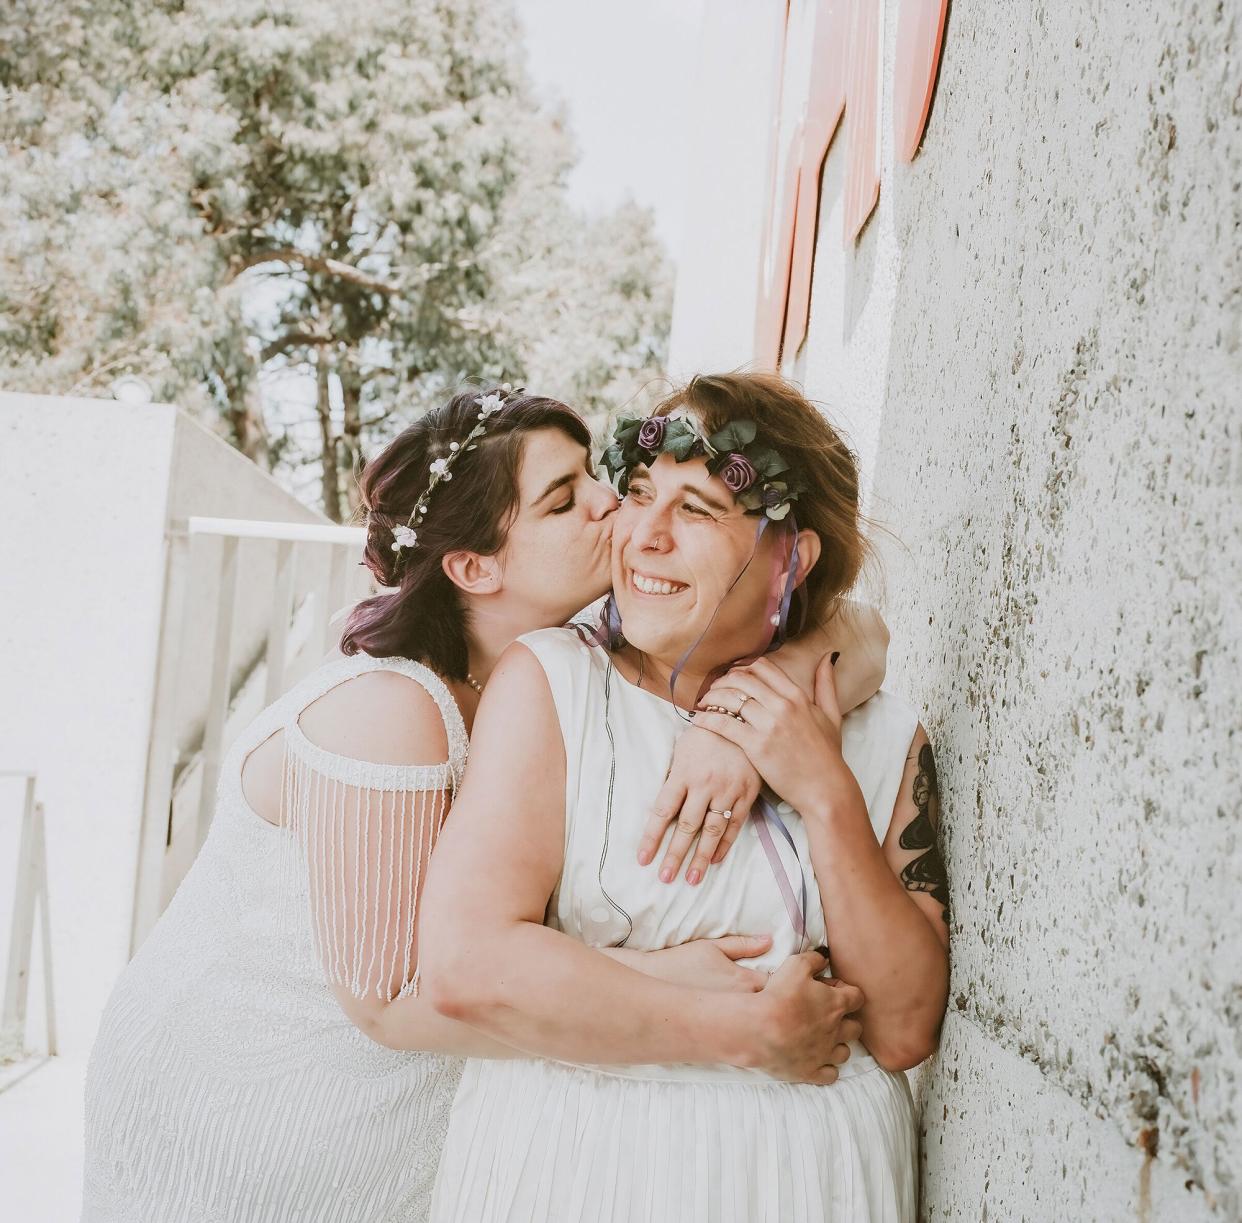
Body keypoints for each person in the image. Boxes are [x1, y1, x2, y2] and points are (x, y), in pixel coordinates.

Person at [82, 387, 889, 1223]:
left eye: (595, 478)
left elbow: (858, 629)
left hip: (415, 1123)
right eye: (564, 499)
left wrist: (742, 714)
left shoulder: (581, 660)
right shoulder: (390, 710)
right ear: (474, 567)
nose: (613, 506)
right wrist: (691, 994)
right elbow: (392, 1002)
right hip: (254, 1112)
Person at [421, 372, 950, 1222]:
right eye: (638, 494)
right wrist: (745, 1033)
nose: (644, 537)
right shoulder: (552, 685)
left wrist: (824, 789)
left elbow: (902, 1028)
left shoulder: (884, 734)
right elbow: (465, 963)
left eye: (698, 509)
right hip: (581, 1169)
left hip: (813, 1184)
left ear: (793, 555)